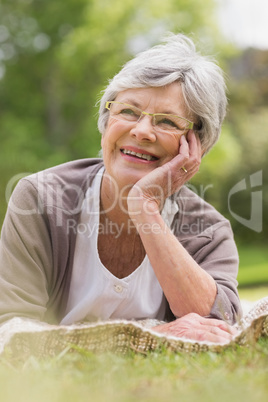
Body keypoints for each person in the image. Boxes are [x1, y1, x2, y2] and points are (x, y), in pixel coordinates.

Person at [0, 33, 241, 344]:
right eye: (127, 111)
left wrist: (144, 205)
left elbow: (216, 328)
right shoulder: (39, 199)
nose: (141, 131)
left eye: (166, 121)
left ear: (196, 144)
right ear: (106, 120)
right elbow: (11, 331)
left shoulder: (209, 231)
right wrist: (142, 337)